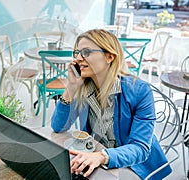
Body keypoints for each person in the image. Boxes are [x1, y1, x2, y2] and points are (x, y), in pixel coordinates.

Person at [51, 29, 172, 180]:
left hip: (135, 164)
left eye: (86, 52)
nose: (78, 58)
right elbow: (59, 127)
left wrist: (101, 156)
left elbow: (140, 148)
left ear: (109, 57)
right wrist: (70, 87)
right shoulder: (82, 86)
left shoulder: (139, 91)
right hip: (96, 154)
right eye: (76, 53)